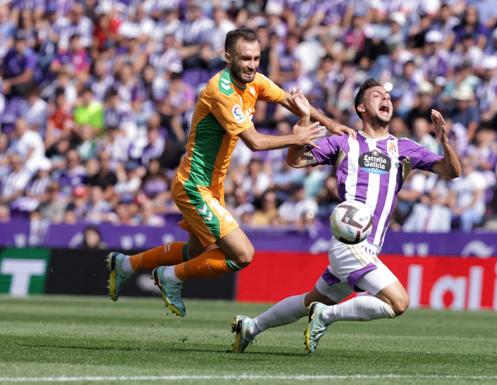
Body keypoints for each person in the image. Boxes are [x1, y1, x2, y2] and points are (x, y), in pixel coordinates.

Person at [105, 28, 352, 317]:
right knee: (243, 255)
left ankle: (125, 265)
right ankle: (169, 277)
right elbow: (255, 142)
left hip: (212, 186)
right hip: (194, 185)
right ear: (228, 58)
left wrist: (332, 125)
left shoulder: (254, 81)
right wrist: (298, 138)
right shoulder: (220, 91)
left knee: (196, 251)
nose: (252, 64)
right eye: (245, 58)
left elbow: (292, 102)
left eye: (257, 58)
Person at [230, 79, 461, 353]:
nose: (386, 99)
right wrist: (303, 120)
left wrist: (444, 141)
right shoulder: (345, 142)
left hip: (370, 248)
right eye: (377, 95)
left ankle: (251, 327)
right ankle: (326, 316)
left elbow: (451, 172)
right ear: (361, 107)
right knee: (398, 302)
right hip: (348, 243)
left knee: (311, 300)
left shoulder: (403, 148)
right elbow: (295, 160)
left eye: (388, 96)